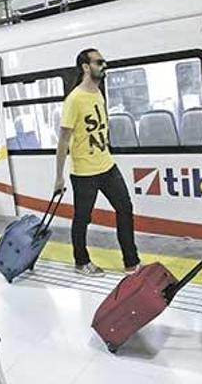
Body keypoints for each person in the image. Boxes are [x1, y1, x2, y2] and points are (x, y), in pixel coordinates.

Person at [54, 48, 141, 277]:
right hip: (84, 172)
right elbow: (63, 140)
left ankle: (131, 262)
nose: (104, 65)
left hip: (107, 165)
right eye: (99, 62)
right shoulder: (74, 99)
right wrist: (59, 176)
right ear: (85, 67)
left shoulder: (98, 93)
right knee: (82, 218)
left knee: (125, 208)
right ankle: (81, 262)